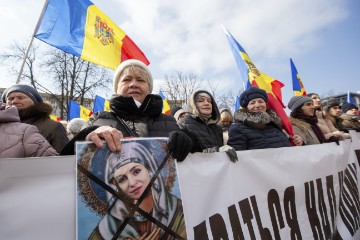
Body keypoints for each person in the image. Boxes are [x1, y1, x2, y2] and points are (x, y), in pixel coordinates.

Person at [61, 59, 192, 163]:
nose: (133, 84)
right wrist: (87, 134)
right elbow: (65, 160)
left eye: (140, 80)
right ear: (117, 88)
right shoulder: (98, 119)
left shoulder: (168, 120)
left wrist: (188, 142)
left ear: (149, 88)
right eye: (126, 80)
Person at [87, 141, 186, 240]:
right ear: (117, 186)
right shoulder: (108, 228)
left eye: (136, 171)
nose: (132, 182)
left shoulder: (178, 211)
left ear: (149, 169)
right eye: (122, 179)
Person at [227, 87, 303, 151]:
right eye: (252, 103)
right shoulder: (238, 128)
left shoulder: (275, 125)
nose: (257, 105)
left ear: (266, 105)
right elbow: (237, 158)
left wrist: (296, 141)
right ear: (246, 108)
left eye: (260, 101)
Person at [2, 84, 69, 153]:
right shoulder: (2, 126)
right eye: (10, 98)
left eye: (21, 97)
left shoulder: (53, 127)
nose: (14, 101)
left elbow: (63, 158)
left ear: (34, 102)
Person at [178, 90, 237, 161]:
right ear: (193, 104)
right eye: (200, 101)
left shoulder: (217, 128)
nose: (206, 103)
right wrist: (217, 151)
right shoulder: (183, 124)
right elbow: (188, 156)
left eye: (209, 101)